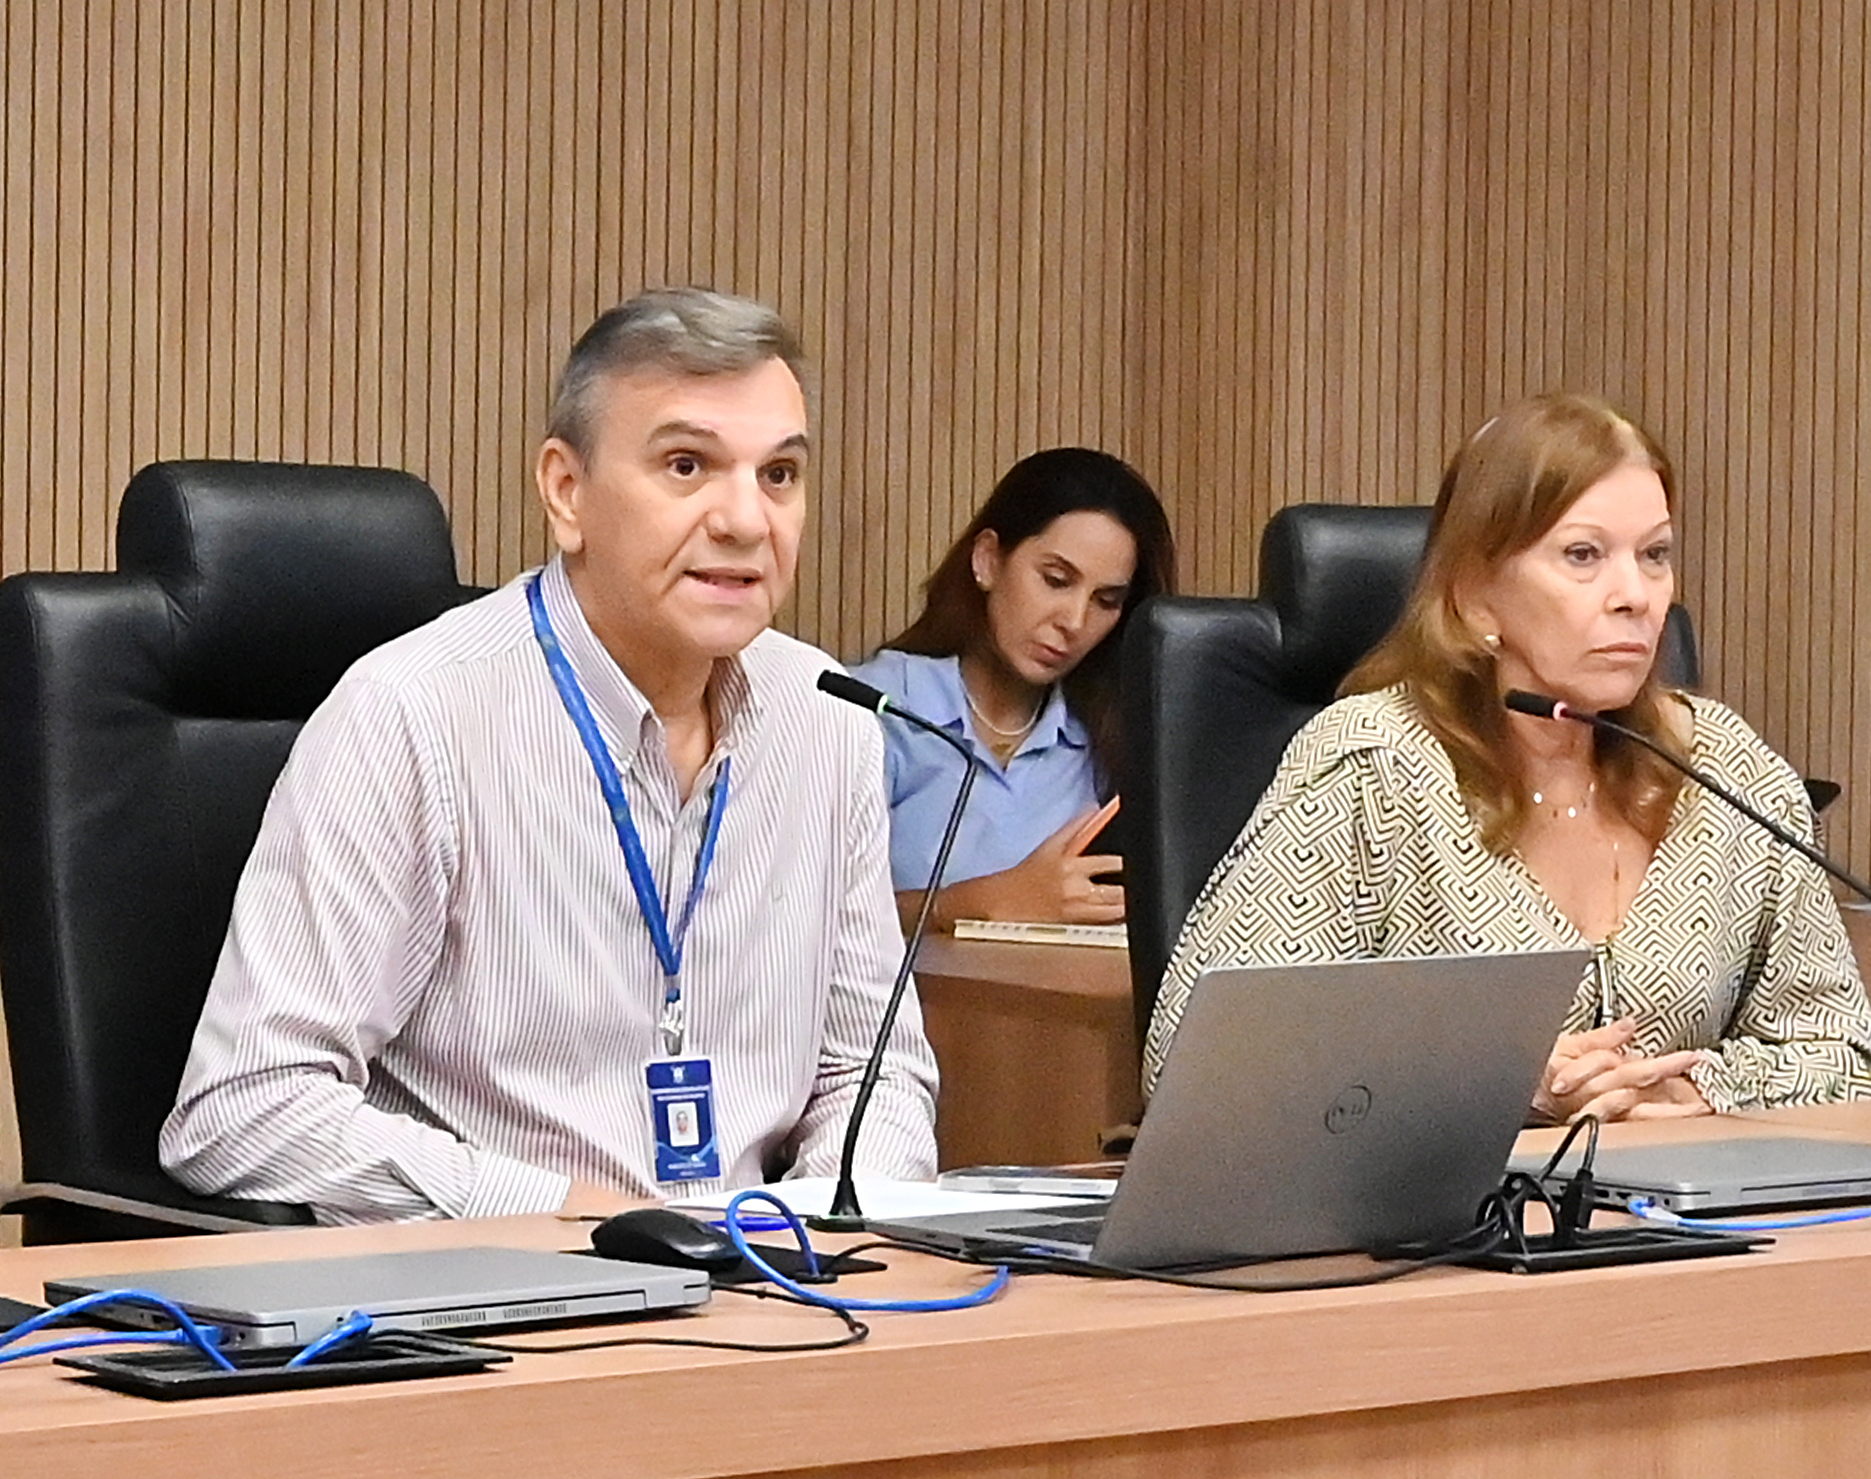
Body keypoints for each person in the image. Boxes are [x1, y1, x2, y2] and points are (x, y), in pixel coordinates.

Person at [159, 288, 934, 1222]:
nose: (745, 520)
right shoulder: (414, 713)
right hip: (505, 1283)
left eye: (779, 475)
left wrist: (820, 1229)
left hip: (768, 1277)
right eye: (687, 466)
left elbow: (873, 1071)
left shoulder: (827, 717)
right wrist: (566, 1216)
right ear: (567, 493)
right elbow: (245, 1106)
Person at [1148, 394, 1871, 1121]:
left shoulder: (1725, 769)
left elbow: (1849, 1058)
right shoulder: (1376, 767)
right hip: (1445, 1200)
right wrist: (1494, 1083)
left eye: (1655, 555)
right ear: (1476, 594)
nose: (1635, 595)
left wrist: (1692, 1088)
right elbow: (1201, 1064)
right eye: (1583, 556)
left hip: (1678, 1196)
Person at [841, 448, 1176, 926]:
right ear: (988, 560)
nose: (1074, 620)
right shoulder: (875, 707)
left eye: (1106, 600)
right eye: (1056, 580)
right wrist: (986, 902)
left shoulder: (1111, 739)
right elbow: (806, 917)